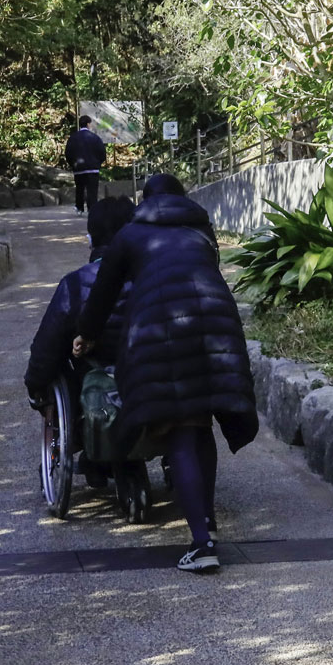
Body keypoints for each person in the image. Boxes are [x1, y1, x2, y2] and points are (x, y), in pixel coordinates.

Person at [73, 173, 257, 573]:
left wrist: (86, 336)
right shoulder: (202, 231)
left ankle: (202, 542)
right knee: (199, 422)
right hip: (216, 322)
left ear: (145, 200)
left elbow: (104, 292)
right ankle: (204, 526)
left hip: (161, 328)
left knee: (178, 428)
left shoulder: (131, 234)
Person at [25, 197, 136, 487]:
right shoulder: (152, 274)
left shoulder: (75, 284)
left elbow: (47, 348)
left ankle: (89, 447)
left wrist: (36, 387)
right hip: (148, 369)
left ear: (90, 238)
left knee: (63, 365)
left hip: (94, 379)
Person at [64, 115, 106, 215]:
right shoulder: (95, 138)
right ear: (88, 124)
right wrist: (98, 163)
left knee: (79, 188)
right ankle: (92, 209)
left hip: (79, 168)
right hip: (92, 168)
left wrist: (73, 164)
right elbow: (102, 152)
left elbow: (68, 153)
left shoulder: (73, 138)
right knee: (92, 190)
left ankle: (79, 208)